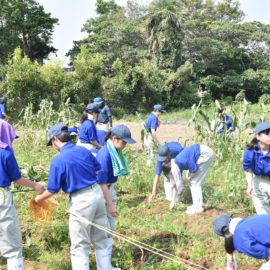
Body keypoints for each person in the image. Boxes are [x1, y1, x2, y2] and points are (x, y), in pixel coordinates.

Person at [34, 123, 111, 270]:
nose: (52, 147)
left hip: (81, 200)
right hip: (97, 193)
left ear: (56, 139)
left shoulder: (58, 160)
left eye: (51, 143)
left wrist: (38, 199)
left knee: (79, 244)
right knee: (101, 238)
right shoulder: (83, 150)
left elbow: (52, 190)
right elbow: (97, 169)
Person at [0, 120, 44, 270]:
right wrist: (36, 185)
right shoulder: (5, 153)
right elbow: (17, 178)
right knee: (12, 242)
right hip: (1, 197)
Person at [96, 124, 136, 270]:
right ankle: (104, 267)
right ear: (114, 139)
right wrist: (111, 205)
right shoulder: (105, 154)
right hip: (103, 192)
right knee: (105, 229)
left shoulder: (114, 151)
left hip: (109, 188)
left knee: (110, 228)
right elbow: (101, 182)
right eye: (124, 141)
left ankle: (107, 265)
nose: (125, 145)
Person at [161, 144, 214, 214]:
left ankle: (197, 208)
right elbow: (174, 184)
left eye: (171, 174)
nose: (171, 175)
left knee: (194, 182)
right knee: (190, 178)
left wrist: (189, 178)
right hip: (201, 154)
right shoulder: (175, 165)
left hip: (205, 153)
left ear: (171, 170)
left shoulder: (181, 161)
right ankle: (198, 204)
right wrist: (173, 201)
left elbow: (195, 169)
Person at [243, 121, 270, 214]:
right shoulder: (250, 151)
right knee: (262, 210)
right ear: (258, 136)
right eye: (267, 134)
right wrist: (250, 185)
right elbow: (249, 170)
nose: (269, 136)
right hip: (258, 180)